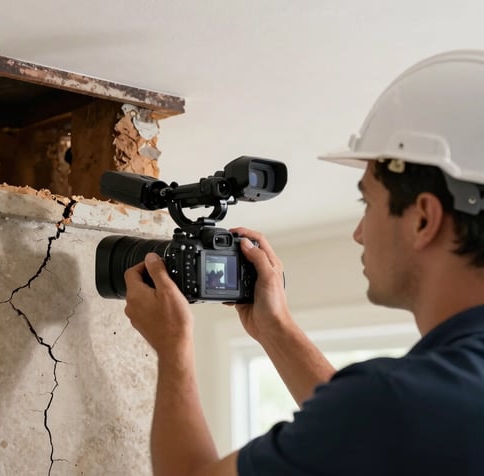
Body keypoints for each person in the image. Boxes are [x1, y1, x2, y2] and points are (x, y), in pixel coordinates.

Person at [123, 50, 484, 475]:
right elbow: (371, 435)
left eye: (367, 203)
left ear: (422, 219)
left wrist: (174, 348)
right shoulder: (430, 400)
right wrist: (275, 329)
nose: (359, 233)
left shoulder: (395, 402)